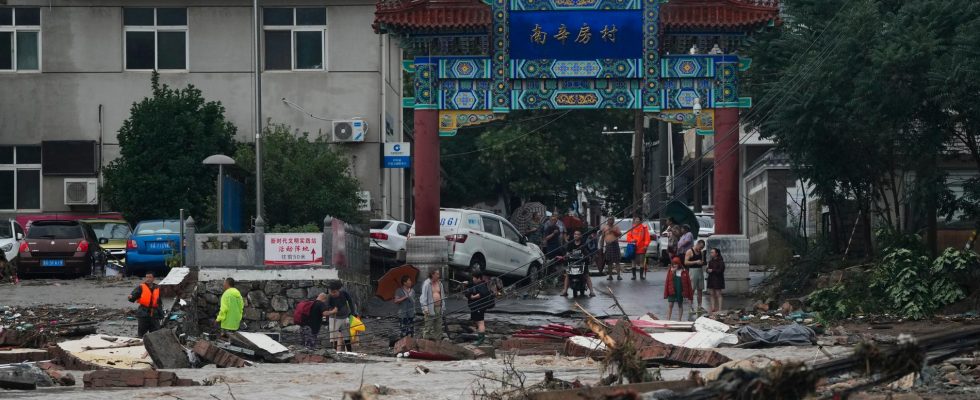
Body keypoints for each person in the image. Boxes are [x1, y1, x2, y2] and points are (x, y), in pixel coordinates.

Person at [560, 230, 596, 297]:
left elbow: (587, 253)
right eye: (575, 234)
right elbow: (567, 253)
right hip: (572, 263)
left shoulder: (583, 244)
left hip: (582, 263)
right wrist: (566, 256)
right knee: (567, 275)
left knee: (586, 275)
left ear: (580, 236)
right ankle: (565, 291)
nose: (576, 235)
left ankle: (591, 291)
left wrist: (587, 257)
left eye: (578, 234)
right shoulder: (571, 244)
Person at [324, 280, 357, 352]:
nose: (333, 294)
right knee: (333, 336)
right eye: (331, 292)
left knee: (346, 335)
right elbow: (326, 307)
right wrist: (333, 310)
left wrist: (352, 313)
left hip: (345, 317)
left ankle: (349, 351)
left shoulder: (344, 293)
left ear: (338, 290)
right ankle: (334, 351)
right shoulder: (329, 297)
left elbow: (350, 302)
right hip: (334, 318)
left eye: (334, 292)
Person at [128, 272, 163, 337]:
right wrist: (131, 297)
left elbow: (159, 303)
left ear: (153, 279)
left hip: (154, 315)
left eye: (150, 277)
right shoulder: (141, 287)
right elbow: (133, 295)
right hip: (143, 313)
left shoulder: (157, 288)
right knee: (141, 334)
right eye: (146, 277)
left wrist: (161, 314)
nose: (148, 279)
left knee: (155, 334)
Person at [464, 271, 493, 345]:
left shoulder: (482, 285)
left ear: (478, 278)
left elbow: (482, 294)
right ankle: (480, 337)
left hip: (479, 307)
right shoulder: (478, 284)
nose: (473, 279)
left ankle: (481, 339)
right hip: (476, 307)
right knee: (477, 322)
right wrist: (467, 283)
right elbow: (472, 285)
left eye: (474, 277)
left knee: (480, 322)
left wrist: (472, 297)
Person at [419, 269, 447, 340]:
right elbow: (423, 297)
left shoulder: (440, 283)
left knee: (438, 326)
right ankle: (425, 342)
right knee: (428, 326)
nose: (438, 275)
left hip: (438, 307)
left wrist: (443, 306)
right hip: (430, 308)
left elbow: (442, 295)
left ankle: (437, 341)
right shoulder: (427, 284)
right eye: (437, 274)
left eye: (438, 274)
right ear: (432, 275)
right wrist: (425, 308)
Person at [684, 240, 707, 312]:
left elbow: (702, 261)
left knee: (700, 289)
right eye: (700, 247)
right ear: (697, 244)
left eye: (702, 248)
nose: (700, 249)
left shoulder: (701, 252)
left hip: (700, 270)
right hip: (692, 270)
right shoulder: (689, 251)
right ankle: (690, 307)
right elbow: (686, 262)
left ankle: (699, 306)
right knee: (692, 289)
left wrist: (701, 263)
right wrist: (695, 262)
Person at [625, 216, 651, 281]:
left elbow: (647, 238)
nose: (637, 221)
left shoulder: (644, 228)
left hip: (642, 247)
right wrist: (632, 240)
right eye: (636, 220)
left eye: (638, 220)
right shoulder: (632, 228)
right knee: (633, 262)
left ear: (640, 221)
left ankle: (641, 276)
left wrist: (646, 245)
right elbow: (628, 237)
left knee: (641, 262)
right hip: (633, 247)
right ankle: (634, 276)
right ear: (634, 221)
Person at [706, 248, 726, 314]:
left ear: (716, 253)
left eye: (712, 252)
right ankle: (713, 307)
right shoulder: (711, 261)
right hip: (711, 278)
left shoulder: (721, 261)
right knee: (711, 294)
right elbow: (707, 268)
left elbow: (721, 270)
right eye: (711, 252)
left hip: (718, 279)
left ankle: (720, 308)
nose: (711, 253)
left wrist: (712, 270)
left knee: (718, 294)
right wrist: (708, 270)